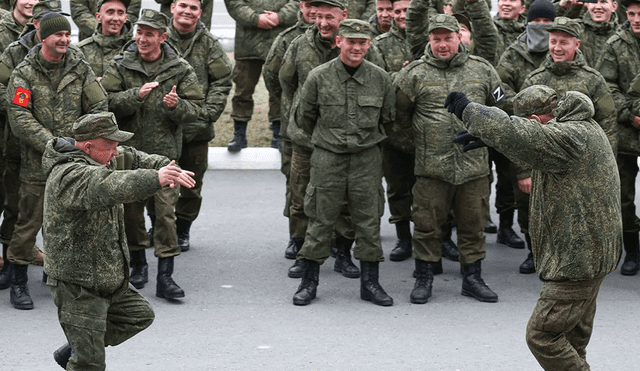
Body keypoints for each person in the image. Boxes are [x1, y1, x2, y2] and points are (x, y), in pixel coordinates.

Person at [448, 85, 621, 371]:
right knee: (571, 338)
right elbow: (531, 143)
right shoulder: (582, 127)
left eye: (529, 122)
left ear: (539, 119)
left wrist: (469, 111)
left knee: (542, 336)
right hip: (592, 254)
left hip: (576, 259)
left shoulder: (568, 136)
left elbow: (524, 135)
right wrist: (493, 138)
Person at [43, 112, 196, 370]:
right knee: (89, 365)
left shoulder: (104, 156)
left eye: (116, 146)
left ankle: (79, 346)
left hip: (107, 277)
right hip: (79, 284)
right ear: (88, 146)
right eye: (110, 146)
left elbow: (138, 158)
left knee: (138, 316)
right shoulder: (69, 175)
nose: (116, 153)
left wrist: (166, 167)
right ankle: (82, 349)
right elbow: (109, 186)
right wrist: (156, 179)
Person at [395, 14, 503, 304]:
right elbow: (397, 116)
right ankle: (424, 278)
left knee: (473, 224)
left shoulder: (482, 70)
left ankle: (473, 278)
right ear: (429, 40)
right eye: (436, 38)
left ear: (459, 37)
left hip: (474, 167)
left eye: (448, 38)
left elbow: (501, 109)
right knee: (427, 224)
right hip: (431, 168)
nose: (442, 44)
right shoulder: (413, 73)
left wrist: (488, 138)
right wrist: (418, 145)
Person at [6, 11, 108, 310]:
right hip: (37, 163)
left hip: (74, 162)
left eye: (67, 34)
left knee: (74, 223)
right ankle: (18, 280)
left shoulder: (79, 66)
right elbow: (19, 117)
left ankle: (68, 280)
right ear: (43, 37)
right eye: (58, 35)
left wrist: (81, 139)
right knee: (28, 223)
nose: (64, 39)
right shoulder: (23, 73)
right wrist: (52, 143)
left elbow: (98, 103)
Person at [100, 9, 203, 300]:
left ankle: (166, 276)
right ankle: (139, 266)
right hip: (128, 157)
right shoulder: (120, 65)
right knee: (131, 214)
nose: (142, 39)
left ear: (162, 36)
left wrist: (176, 106)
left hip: (165, 156)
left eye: (149, 33)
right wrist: (135, 96)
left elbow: (197, 109)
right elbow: (102, 103)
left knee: (165, 215)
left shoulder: (179, 68)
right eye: (139, 33)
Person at [292, 19, 395, 307]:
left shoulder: (380, 79)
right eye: (351, 41)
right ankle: (309, 282)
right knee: (320, 219)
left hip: (367, 159)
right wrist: (331, 139)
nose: (357, 47)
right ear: (339, 42)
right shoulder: (318, 77)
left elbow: (388, 118)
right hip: (328, 158)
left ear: (369, 45)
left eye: (363, 42)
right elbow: (304, 118)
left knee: (368, 219)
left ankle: (370, 283)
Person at [279, 0, 359, 280]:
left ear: (344, 16)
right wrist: (297, 116)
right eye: (319, 16)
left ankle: (342, 253)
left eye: (330, 17)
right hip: (305, 139)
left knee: (344, 200)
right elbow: (285, 80)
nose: (323, 22)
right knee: (301, 197)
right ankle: (302, 251)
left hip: (342, 139)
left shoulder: (353, 44)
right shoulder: (299, 44)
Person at [0, 0, 65, 290]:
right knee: (18, 207)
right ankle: (11, 268)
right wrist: (21, 107)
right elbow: (3, 88)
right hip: (18, 144)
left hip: (61, 147)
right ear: (35, 25)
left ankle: (52, 268)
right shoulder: (16, 54)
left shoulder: (70, 57)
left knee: (56, 211)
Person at [166, 0, 233, 251]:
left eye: (193, 8)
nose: (187, 11)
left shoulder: (209, 45)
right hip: (159, 128)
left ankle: (182, 229)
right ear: (172, 7)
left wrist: (207, 114)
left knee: (191, 185)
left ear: (200, 13)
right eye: (183, 5)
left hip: (196, 129)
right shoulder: (158, 38)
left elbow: (222, 80)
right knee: (157, 181)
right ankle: (159, 226)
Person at [495, 0, 555, 273]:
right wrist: (524, 110)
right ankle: (533, 251)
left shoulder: (560, 48)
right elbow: (499, 89)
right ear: (527, 21)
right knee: (526, 196)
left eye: (547, 22)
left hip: (558, 133)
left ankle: (557, 253)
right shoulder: (514, 52)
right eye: (537, 21)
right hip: (523, 131)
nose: (542, 27)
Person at [263, 0, 317, 257]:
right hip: (295, 128)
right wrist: (293, 103)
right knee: (296, 184)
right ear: (302, 5)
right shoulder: (287, 40)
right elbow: (273, 77)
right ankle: (297, 237)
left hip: (333, 127)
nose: (316, 11)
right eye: (311, 4)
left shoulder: (343, 37)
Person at [367, 0, 416, 262]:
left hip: (426, 130)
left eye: (407, 10)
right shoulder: (380, 44)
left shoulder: (429, 39)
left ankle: (435, 239)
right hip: (393, 130)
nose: (401, 16)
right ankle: (403, 238)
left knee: (430, 189)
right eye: (397, 11)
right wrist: (402, 73)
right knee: (398, 188)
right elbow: (375, 81)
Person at [598, 0, 640, 276]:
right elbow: (606, 87)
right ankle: (632, 251)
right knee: (623, 195)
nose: (636, 19)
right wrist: (631, 114)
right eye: (632, 14)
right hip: (626, 133)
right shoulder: (615, 43)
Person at [223, 0, 299, 152]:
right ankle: (239, 133)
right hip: (248, 43)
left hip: (280, 41)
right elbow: (234, 2)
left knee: (280, 88)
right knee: (243, 90)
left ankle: (278, 133)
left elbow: (297, 2)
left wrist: (280, 16)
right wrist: (255, 19)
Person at [75, 0, 134, 78]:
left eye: (120, 13)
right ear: (98, 16)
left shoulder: (134, 49)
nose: (116, 18)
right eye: (110, 13)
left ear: (125, 18)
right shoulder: (82, 50)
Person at [70, 0, 140, 41]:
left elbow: (132, 12)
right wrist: (102, 28)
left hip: (122, 41)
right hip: (91, 41)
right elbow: (79, 10)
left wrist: (117, 29)